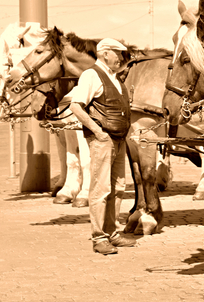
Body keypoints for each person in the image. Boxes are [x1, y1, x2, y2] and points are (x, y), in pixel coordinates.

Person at [70, 38, 136, 255]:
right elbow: (76, 106)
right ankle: (99, 238)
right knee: (101, 189)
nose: (121, 57)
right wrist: (98, 132)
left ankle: (112, 233)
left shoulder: (115, 78)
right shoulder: (91, 74)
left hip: (118, 139)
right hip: (103, 140)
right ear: (105, 53)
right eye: (117, 53)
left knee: (118, 188)